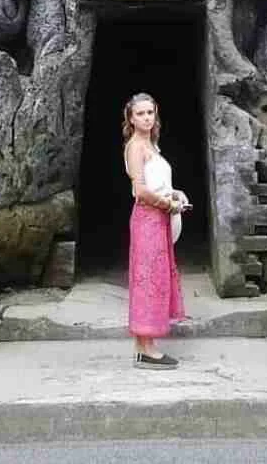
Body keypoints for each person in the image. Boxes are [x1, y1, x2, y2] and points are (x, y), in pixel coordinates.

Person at [122, 92, 189, 370]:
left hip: (157, 218)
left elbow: (158, 184)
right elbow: (140, 191)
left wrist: (176, 193)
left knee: (153, 278)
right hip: (148, 219)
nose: (146, 118)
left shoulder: (152, 144)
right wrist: (168, 204)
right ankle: (148, 349)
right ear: (130, 118)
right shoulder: (135, 146)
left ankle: (142, 348)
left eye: (150, 112)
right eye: (140, 113)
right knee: (149, 280)